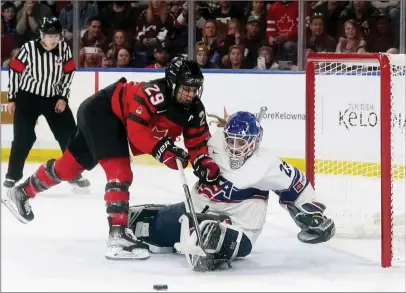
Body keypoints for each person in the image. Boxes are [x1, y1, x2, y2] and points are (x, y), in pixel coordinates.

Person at [2, 56, 221, 261]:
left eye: (194, 89)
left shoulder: (195, 110)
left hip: (114, 121)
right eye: (185, 88)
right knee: (120, 172)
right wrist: (164, 150)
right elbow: (137, 132)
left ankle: (21, 192)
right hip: (103, 112)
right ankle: (117, 234)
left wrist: (204, 162)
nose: (190, 95)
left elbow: (197, 141)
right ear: (172, 83)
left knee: (69, 167)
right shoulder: (152, 94)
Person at [126, 111, 336, 271]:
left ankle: (203, 241)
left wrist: (313, 214)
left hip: (239, 228)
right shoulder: (215, 142)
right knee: (144, 225)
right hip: (194, 211)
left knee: (211, 237)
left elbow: (296, 184)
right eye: (231, 140)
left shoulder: (266, 165)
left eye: (241, 141)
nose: (234, 147)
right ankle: (170, 223)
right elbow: (191, 139)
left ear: (254, 142)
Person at [4, 16, 90, 192]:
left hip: (53, 98)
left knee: (69, 135)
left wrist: (63, 97)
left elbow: (68, 73)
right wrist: (12, 98)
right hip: (27, 98)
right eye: (50, 36)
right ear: (42, 35)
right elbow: (14, 70)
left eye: (57, 36)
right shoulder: (28, 48)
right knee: (23, 138)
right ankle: (12, 175)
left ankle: (74, 174)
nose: (53, 39)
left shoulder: (64, 49)